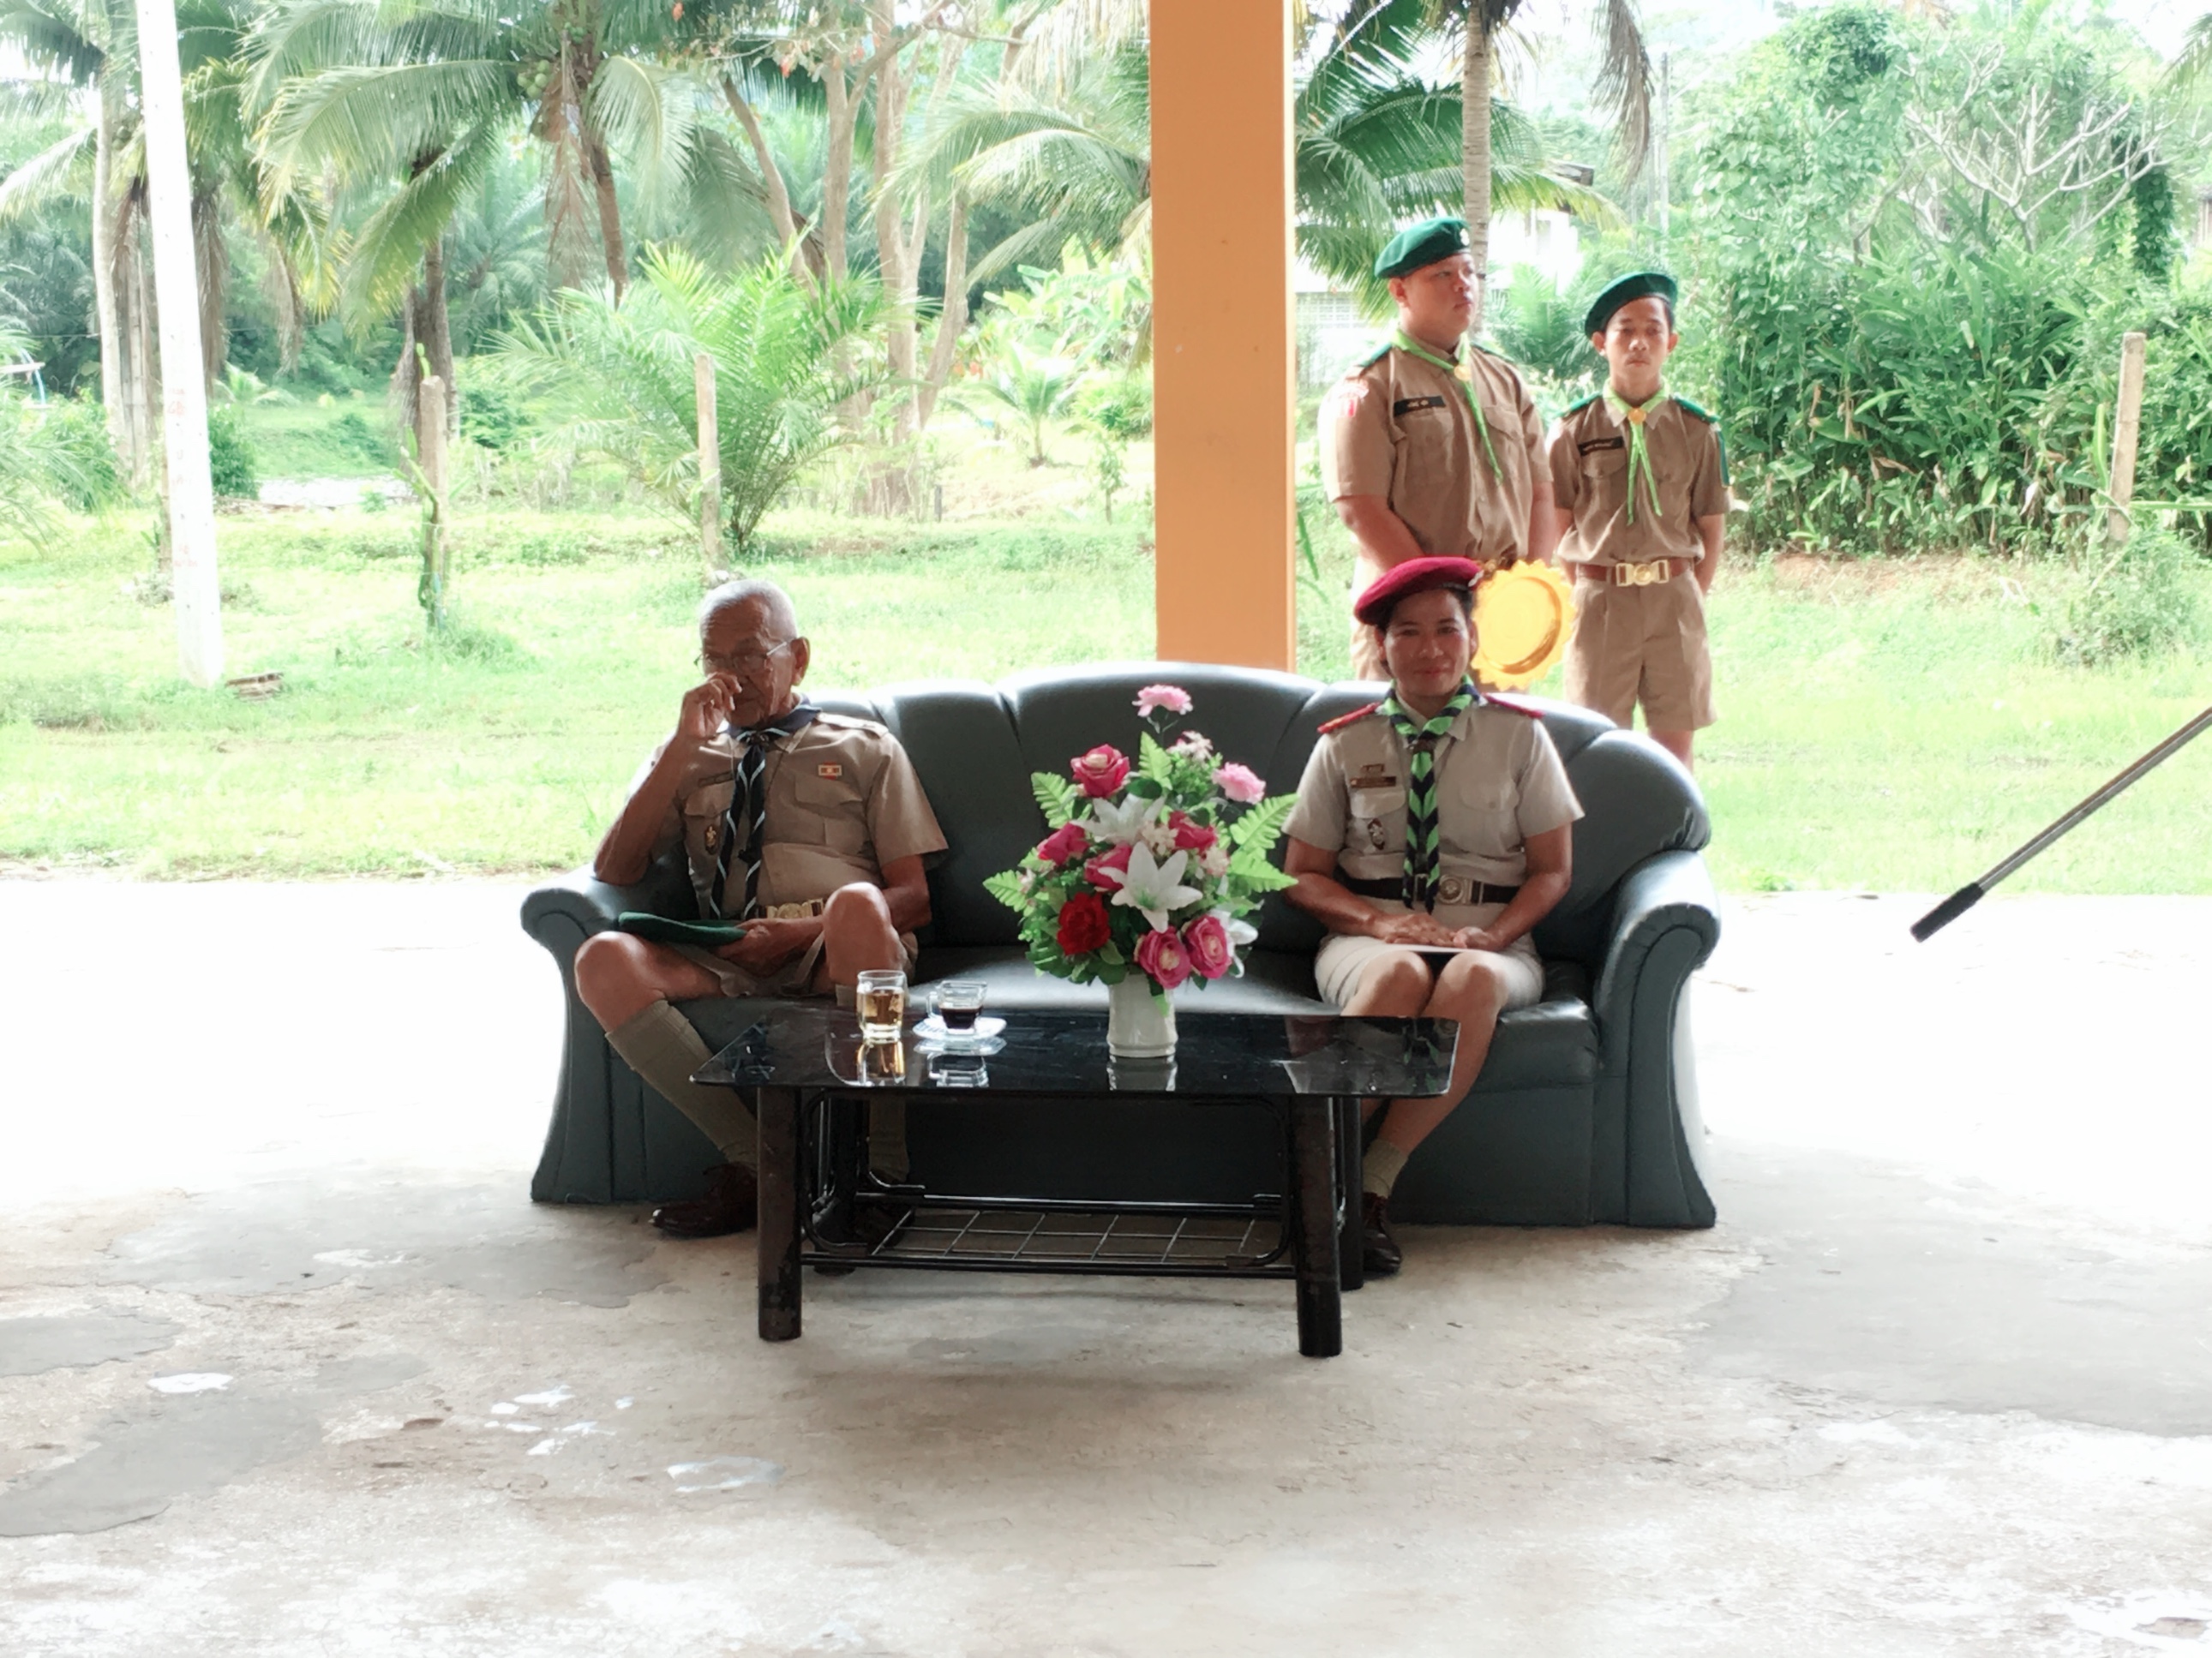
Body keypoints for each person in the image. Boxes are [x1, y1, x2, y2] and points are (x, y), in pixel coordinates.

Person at [572, 578, 947, 1239]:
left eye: (749, 655)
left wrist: (797, 932)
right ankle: (759, 1165)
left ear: (796, 657)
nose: (732, 676)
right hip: (729, 949)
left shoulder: (864, 746)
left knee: (858, 903)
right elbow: (615, 870)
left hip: (836, 945)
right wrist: (679, 748)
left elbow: (913, 899)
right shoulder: (685, 755)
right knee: (602, 958)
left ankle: (880, 1173)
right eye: (714, 660)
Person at [1282, 556, 1582, 1276]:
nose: (1430, 649)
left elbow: (1552, 869)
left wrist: (1497, 935)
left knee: (1471, 978)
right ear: (1381, 645)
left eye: (1446, 629)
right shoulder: (1344, 741)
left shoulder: (1519, 736)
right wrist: (1376, 923)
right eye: (1408, 632)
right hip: (1370, 932)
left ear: (1472, 638)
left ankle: (1370, 1187)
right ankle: (1316, 1182)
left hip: (1491, 935)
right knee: (1399, 974)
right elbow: (1300, 874)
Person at [1321, 214, 1560, 683]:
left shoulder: (1504, 379)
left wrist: (1528, 588)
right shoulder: (1372, 386)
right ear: (1400, 291)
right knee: (1409, 731)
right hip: (1411, 618)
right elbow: (1361, 509)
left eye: (1469, 271)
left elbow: (1541, 493)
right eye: (1442, 274)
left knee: (1495, 731)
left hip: (1499, 619)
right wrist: (1443, 601)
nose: (1462, 284)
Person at [1546, 271, 1727, 769]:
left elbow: (1711, 527)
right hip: (1602, 600)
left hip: (1674, 599)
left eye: (1652, 330)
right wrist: (1587, 588)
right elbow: (1558, 524)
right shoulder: (1573, 429)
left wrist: (1689, 593)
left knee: (1675, 748)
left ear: (1671, 342)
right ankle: (1603, 825)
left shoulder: (1697, 430)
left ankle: (1674, 822)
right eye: (1625, 331)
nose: (1639, 343)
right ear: (1601, 343)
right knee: (1597, 745)